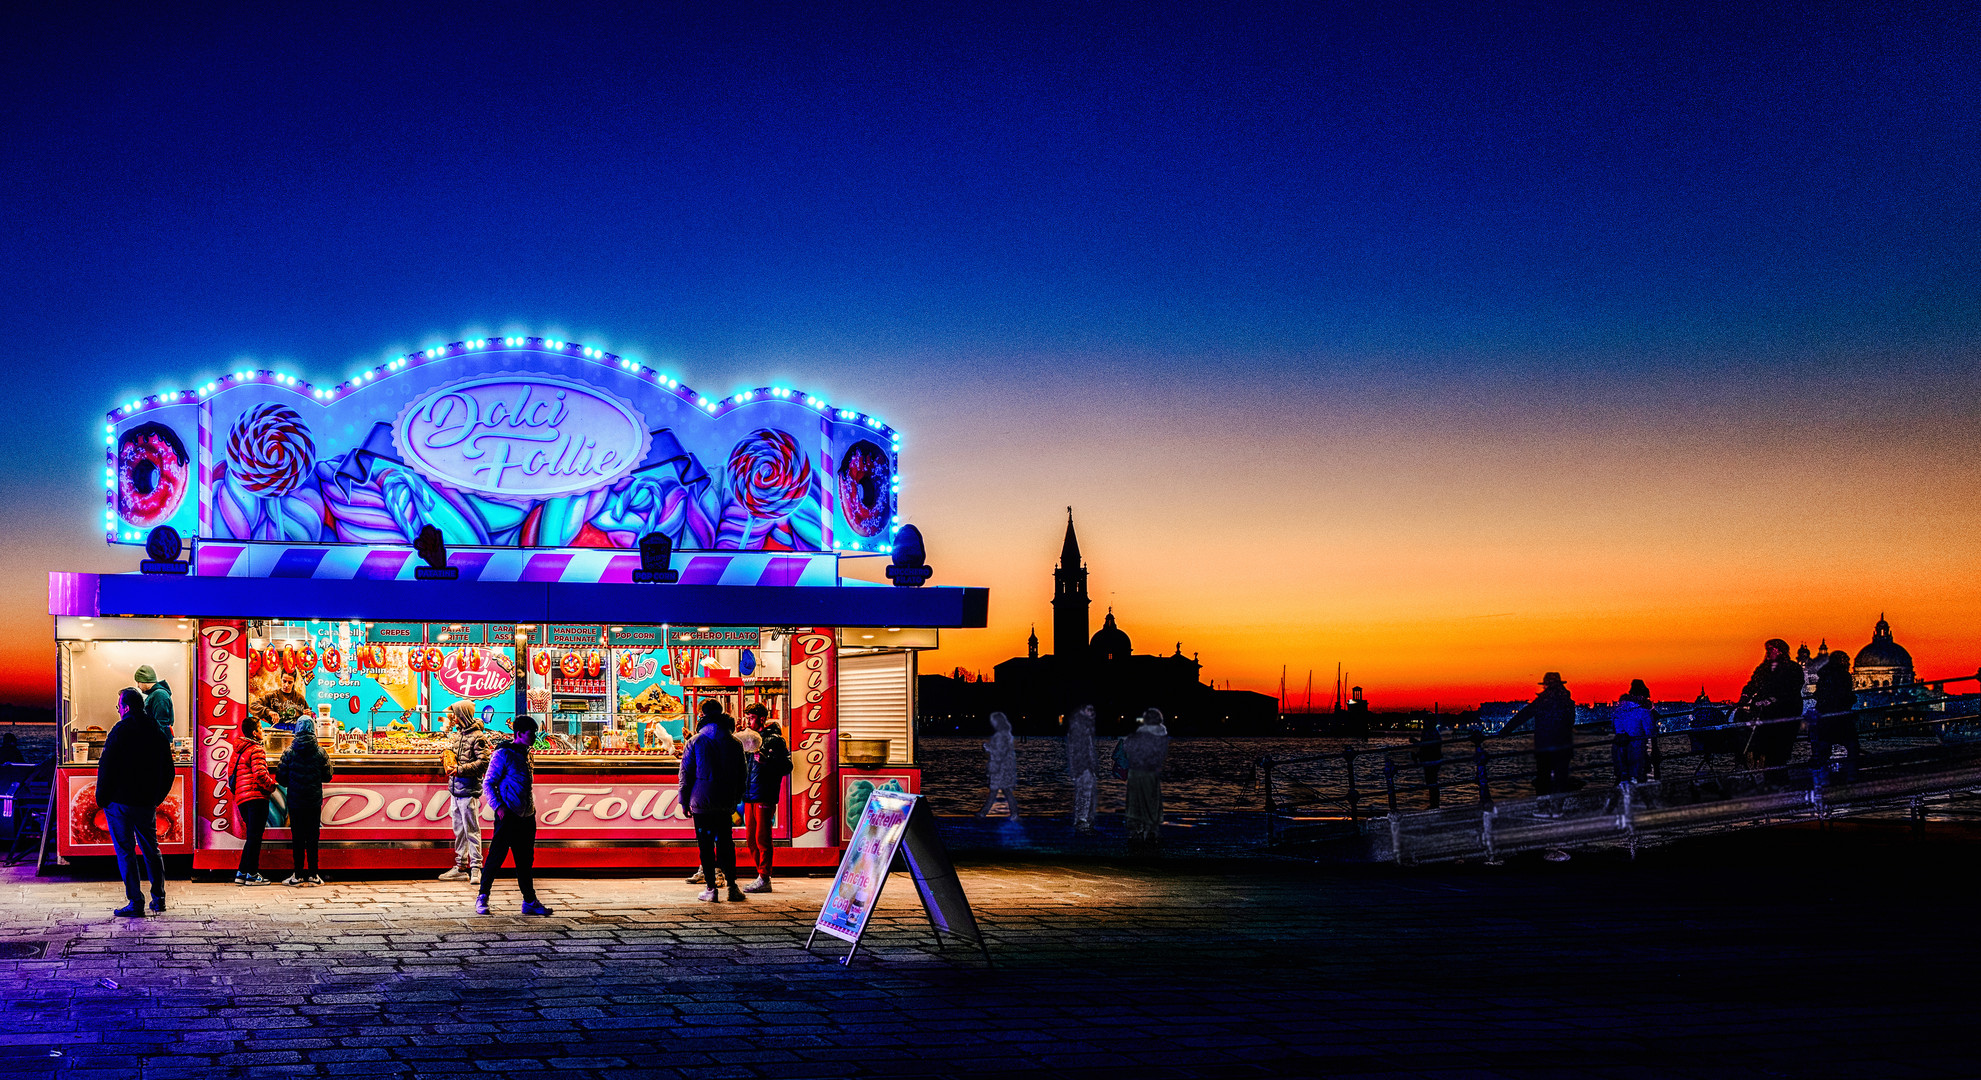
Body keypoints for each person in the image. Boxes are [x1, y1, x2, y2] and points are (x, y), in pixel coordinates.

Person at [97, 687, 173, 916]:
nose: (118, 709)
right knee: (152, 850)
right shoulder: (157, 731)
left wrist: (102, 798)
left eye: (119, 705)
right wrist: (156, 797)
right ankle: (159, 899)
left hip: (119, 803)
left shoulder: (120, 730)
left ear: (127, 707)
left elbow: (106, 765)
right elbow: (168, 770)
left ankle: (135, 902)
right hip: (145, 803)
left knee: (126, 852)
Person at [478, 716, 552, 916]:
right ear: (519, 733)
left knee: (525, 860)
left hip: (527, 814)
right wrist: (499, 807)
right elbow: (488, 783)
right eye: (531, 733)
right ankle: (483, 896)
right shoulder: (503, 754)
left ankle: (529, 900)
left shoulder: (528, 754)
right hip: (508, 814)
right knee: (496, 856)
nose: (535, 737)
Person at [679, 700, 746, 902]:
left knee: (705, 844)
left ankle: (711, 888)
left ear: (702, 716)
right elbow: (742, 774)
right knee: (726, 843)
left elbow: (686, 774)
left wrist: (684, 800)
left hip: (701, 804)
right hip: (725, 803)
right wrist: (735, 798)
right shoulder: (735, 743)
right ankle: (733, 887)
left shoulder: (695, 742)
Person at [738, 704, 790, 894]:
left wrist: (767, 761)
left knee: (762, 838)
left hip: (764, 794)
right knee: (751, 839)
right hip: (749, 794)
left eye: (751, 718)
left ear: (761, 718)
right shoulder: (750, 738)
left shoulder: (774, 740)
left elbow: (787, 766)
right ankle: (759, 874)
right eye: (747, 717)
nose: (748, 721)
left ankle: (764, 876)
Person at [438, 701, 491, 884]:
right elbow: (455, 754)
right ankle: (460, 865)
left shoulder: (478, 737)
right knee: (459, 829)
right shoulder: (459, 735)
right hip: (455, 789)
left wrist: (460, 770)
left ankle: (476, 867)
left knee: (471, 829)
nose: (452, 717)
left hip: (468, 790)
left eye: (455, 714)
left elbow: (484, 763)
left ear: (463, 715)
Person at [276, 716, 332, 885]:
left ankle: (298, 875)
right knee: (313, 838)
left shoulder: (289, 752)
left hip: (296, 802)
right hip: (314, 801)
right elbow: (328, 776)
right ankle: (314, 875)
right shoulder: (321, 752)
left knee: (298, 838)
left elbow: (281, 778)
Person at [227, 715, 279, 885]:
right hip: (256, 797)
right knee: (255, 837)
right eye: (261, 728)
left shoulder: (238, 749)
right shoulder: (256, 749)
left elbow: (230, 775)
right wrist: (272, 786)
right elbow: (260, 774)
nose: (263, 731)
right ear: (255, 733)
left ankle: (242, 872)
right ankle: (253, 874)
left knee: (252, 836)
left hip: (242, 798)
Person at [1740, 639, 1806, 770]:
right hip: (1766, 715)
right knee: (1767, 751)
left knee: (1780, 752)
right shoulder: (1763, 669)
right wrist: (1745, 696)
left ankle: (1779, 781)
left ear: (1780, 651)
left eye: (1771, 649)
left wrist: (1772, 700)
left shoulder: (1793, 669)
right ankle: (1769, 779)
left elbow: (1792, 689)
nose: (1768, 652)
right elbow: (1752, 684)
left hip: (1785, 715)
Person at [1511, 672, 1578, 801]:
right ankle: (1558, 807)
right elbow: (1570, 722)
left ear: (1546, 685)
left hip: (1544, 746)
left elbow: (1523, 715)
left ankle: (1544, 807)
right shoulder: (1567, 701)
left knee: (1543, 778)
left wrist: (1505, 731)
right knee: (1561, 778)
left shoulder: (1542, 701)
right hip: (1563, 745)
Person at [1122, 708, 1170, 847]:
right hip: (1150, 773)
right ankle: (1151, 831)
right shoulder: (1162, 734)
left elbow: (1126, 748)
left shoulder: (1135, 736)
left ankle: (1136, 832)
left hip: (1135, 772)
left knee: (1134, 803)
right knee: (1152, 802)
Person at [1810, 651, 1860, 783]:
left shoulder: (1824, 675)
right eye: (1846, 660)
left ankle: (1822, 777)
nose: (1849, 663)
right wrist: (1851, 699)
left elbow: (1819, 695)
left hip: (1826, 718)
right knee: (1852, 746)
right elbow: (1844, 696)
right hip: (1840, 717)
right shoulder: (1843, 675)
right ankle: (1851, 775)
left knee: (1823, 748)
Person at [1612, 679, 1656, 784]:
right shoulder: (1643, 711)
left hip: (1619, 747)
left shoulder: (1618, 709)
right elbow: (1651, 731)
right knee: (1639, 778)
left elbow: (1614, 728)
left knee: (1621, 778)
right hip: (1637, 748)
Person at [978, 712, 1018, 819]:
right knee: (1004, 791)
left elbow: (999, 752)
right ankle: (1014, 813)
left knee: (996, 791)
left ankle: (983, 813)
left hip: (999, 768)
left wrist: (988, 748)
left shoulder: (1000, 736)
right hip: (1006, 767)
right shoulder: (1007, 734)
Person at [1065, 705, 1098, 833]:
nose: (1091, 712)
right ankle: (1082, 820)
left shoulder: (1082, 726)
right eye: (1088, 710)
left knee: (1084, 793)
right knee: (1084, 792)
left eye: (1092, 710)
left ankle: (1082, 819)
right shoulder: (1080, 727)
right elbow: (1076, 750)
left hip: (1084, 765)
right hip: (1083, 765)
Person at [1411, 713, 1444, 809]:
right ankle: (1434, 804)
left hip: (1430, 759)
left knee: (1431, 781)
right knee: (1432, 781)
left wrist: (1415, 742)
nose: (1423, 723)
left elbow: (1426, 745)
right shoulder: (1433, 731)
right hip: (1433, 758)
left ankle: (1434, 804)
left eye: (1425, 721)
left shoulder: (1428, 732)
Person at [134, 664, 174, 740]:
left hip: (158, 743)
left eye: (138, 682)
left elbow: (161, 723)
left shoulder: (159, 695)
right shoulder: (154, 695)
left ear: (144, 680)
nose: (138, 686)